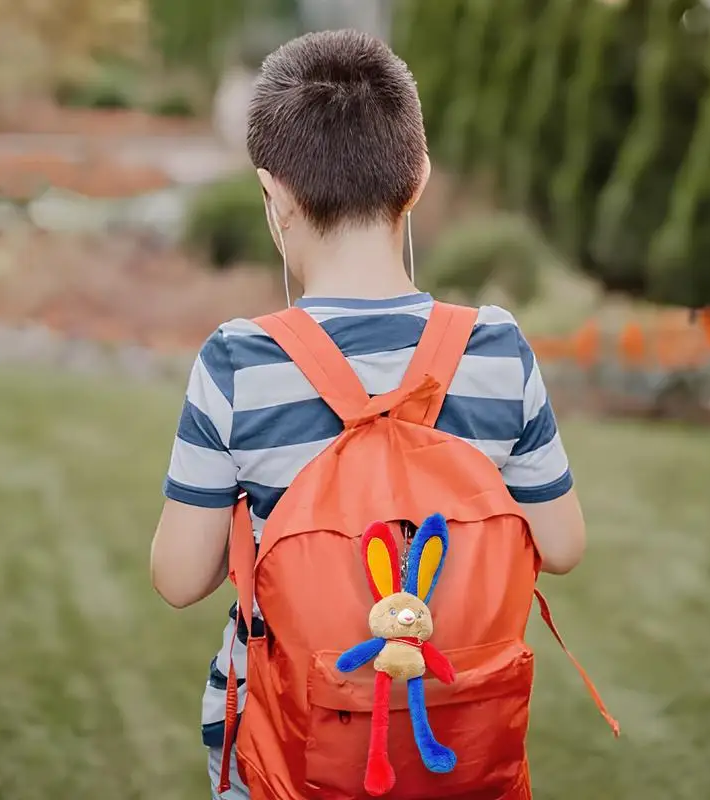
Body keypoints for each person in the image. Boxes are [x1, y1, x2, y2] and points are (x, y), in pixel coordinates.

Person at [150, 29, 586, 800]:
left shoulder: (239, 363)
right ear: (416, 179)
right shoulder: (496, 348)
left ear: (272, 195)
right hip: (458, 748)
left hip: (291, 755)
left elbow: (181, 578)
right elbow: (562, 543)